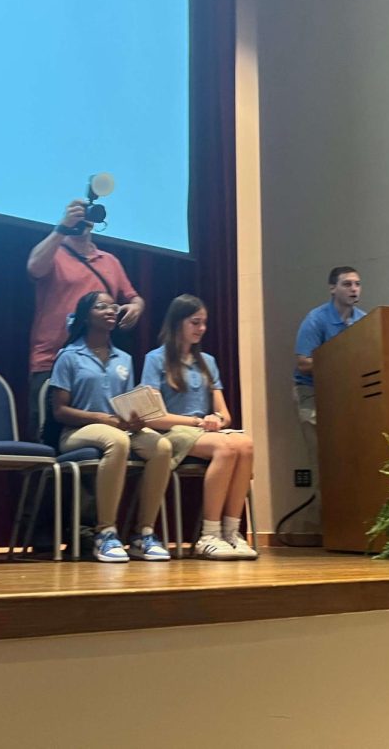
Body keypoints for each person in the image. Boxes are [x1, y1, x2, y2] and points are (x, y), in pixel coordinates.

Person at [49, 291, 172, 563]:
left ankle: (144, 534)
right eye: (101, 307)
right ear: (86, 316)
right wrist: (102, 419)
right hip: (77, 433)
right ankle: (105, 532)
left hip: (119, 427)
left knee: (162, 446)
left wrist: (136, 418)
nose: (110, 311)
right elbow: (59, 411)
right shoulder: (69, 356)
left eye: (114, 307)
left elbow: (125, 404)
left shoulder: (124, 358)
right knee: (118, 442)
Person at [142, 295, 256, 560]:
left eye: (204, 323)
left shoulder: (208, 361)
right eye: (195, 322)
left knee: (246, 444)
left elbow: (224, 414)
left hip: (204, 430)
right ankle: (209, 534)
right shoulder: (155, 359)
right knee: (226, 449)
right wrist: (197, 421)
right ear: (177, 322)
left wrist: (217, 420)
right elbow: (153, 417)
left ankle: (232, 531)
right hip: (174, 429)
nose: (201, 328)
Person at [26, 199, 145, 438]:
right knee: (50, 440)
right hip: (52, 357)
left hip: (100, 364)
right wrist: (62, 227)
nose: (83, 222)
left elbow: (134, 297)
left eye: (87, 218)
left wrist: (136, 307)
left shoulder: (109, 261)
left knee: (109, 436)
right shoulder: (55, 252)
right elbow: (34, 268)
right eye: (77, 217)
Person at [294, 267, 366, 454]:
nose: (354, 289)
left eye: (357, 284)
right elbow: (303, 363)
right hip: (313, 393)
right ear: (333, 288)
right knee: (323, 457)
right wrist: (337, 359)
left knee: (350, 455)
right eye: (347, 284)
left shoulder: (365, 320)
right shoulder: (316, 319)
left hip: (348, 392)